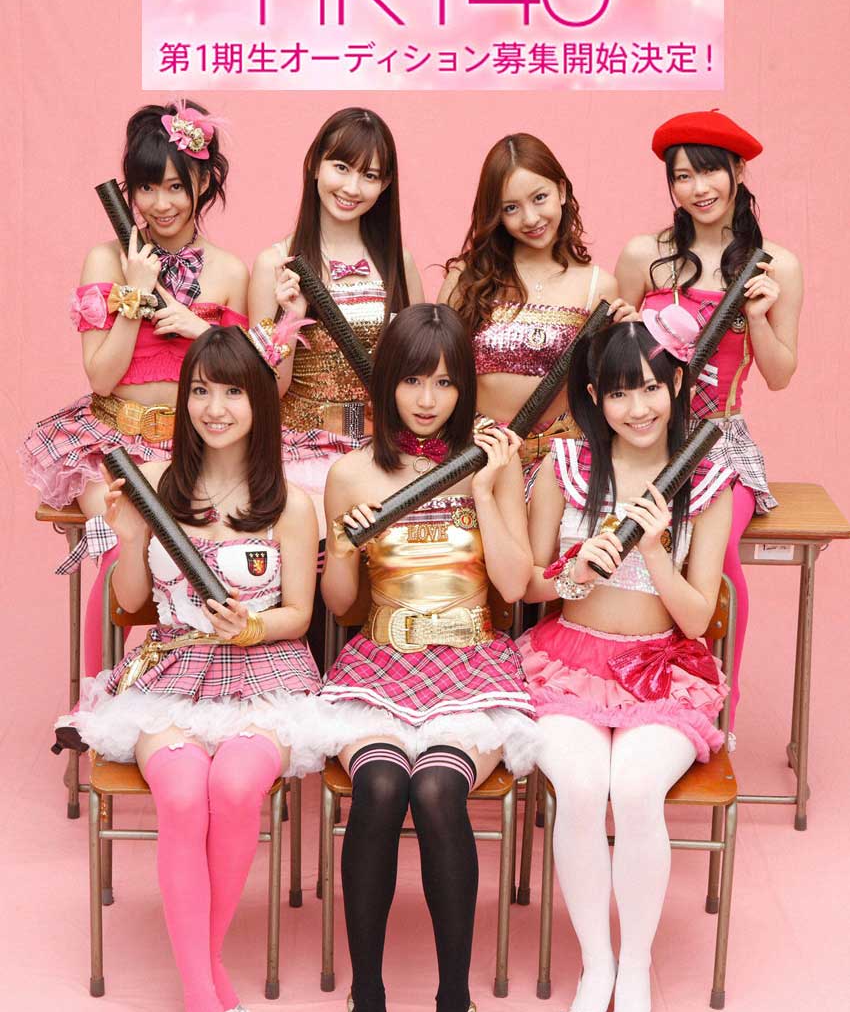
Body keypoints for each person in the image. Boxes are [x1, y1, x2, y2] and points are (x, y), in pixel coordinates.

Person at [70, 325, 331, 1012]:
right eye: (202, 391)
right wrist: (121, 530)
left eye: (233, 392)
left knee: (236, 787)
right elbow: (128, 601)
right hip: (172, 673)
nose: (215, 407)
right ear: (185, 400)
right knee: (183, 796)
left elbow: (300, 613)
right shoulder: (154, 482)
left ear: (260, 403)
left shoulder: (292, 503)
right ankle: (204, 997)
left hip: (266, 674)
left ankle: (200, 991)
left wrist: (251, 626)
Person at [320, 304, 537, 1012]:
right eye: (413, 379)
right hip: (381, 659)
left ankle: (453, 1005)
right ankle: (368, 1000)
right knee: (381, 785)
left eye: (445, 383)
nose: (427, 399)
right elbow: (342, 606)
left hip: (473, 662)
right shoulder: (351, 474)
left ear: (464, 389)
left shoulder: (494, 458)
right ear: (386, 381)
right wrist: (344, 549)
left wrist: (484, 487)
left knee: (439, 788)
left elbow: (515, 585)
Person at [518, 320, 734, 1012]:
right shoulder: (566, 465)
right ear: (594, 397)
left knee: (636, 789)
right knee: (581, 787)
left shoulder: (707, 479)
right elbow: (529, 584)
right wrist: (578, 571)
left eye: (650, 388)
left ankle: (635, 967)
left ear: (676, 386)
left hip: (663, 670)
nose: (637, 408)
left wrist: (655, 549)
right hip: (567, 662)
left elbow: (698, 617)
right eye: (618, 393)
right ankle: (596, 966)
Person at [20, 99, 248, 674]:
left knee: (213, 557)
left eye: (175, 186)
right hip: (112, 445)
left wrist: (201, 330)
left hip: (196, 446)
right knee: (121, 545)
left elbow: (241, 383)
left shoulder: (229, 271)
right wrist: (133, 297)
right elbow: (100, 375)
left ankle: (195, 685)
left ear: (203, 181)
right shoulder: (105, 258)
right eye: (146, 188)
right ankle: (97, 699)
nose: (160, 204)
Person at [614, 109, 803, 724]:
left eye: (710, 172)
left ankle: (721, 702)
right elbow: (612, 359)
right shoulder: (645, 256)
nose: (698, 188)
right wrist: (621, 330)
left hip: (721, 440)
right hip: (643, 437)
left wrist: (759, 317)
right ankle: (636, 692)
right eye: (682, 176)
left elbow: (779, 375)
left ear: (739, 172)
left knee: (714, 557)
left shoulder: (776, 265)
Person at [249, 106, 423, 534]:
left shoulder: (399, 264)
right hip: (299, 456)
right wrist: (289, 320)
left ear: (385, 184)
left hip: (380, 454)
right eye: (341, 167)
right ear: (314, 165)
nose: (351, 187)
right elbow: (266, 390)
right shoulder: (275, 263)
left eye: (369, 175)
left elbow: (419, 369)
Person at [438, 133, 617, 492]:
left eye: (539, 198)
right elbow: (436, 368)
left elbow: (608, 389)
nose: (531, 218)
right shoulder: (466, 278)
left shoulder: (599, 286)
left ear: (561, 191)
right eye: (511, 208)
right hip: (475, 459)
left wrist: (629, 334)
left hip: (562, 464)